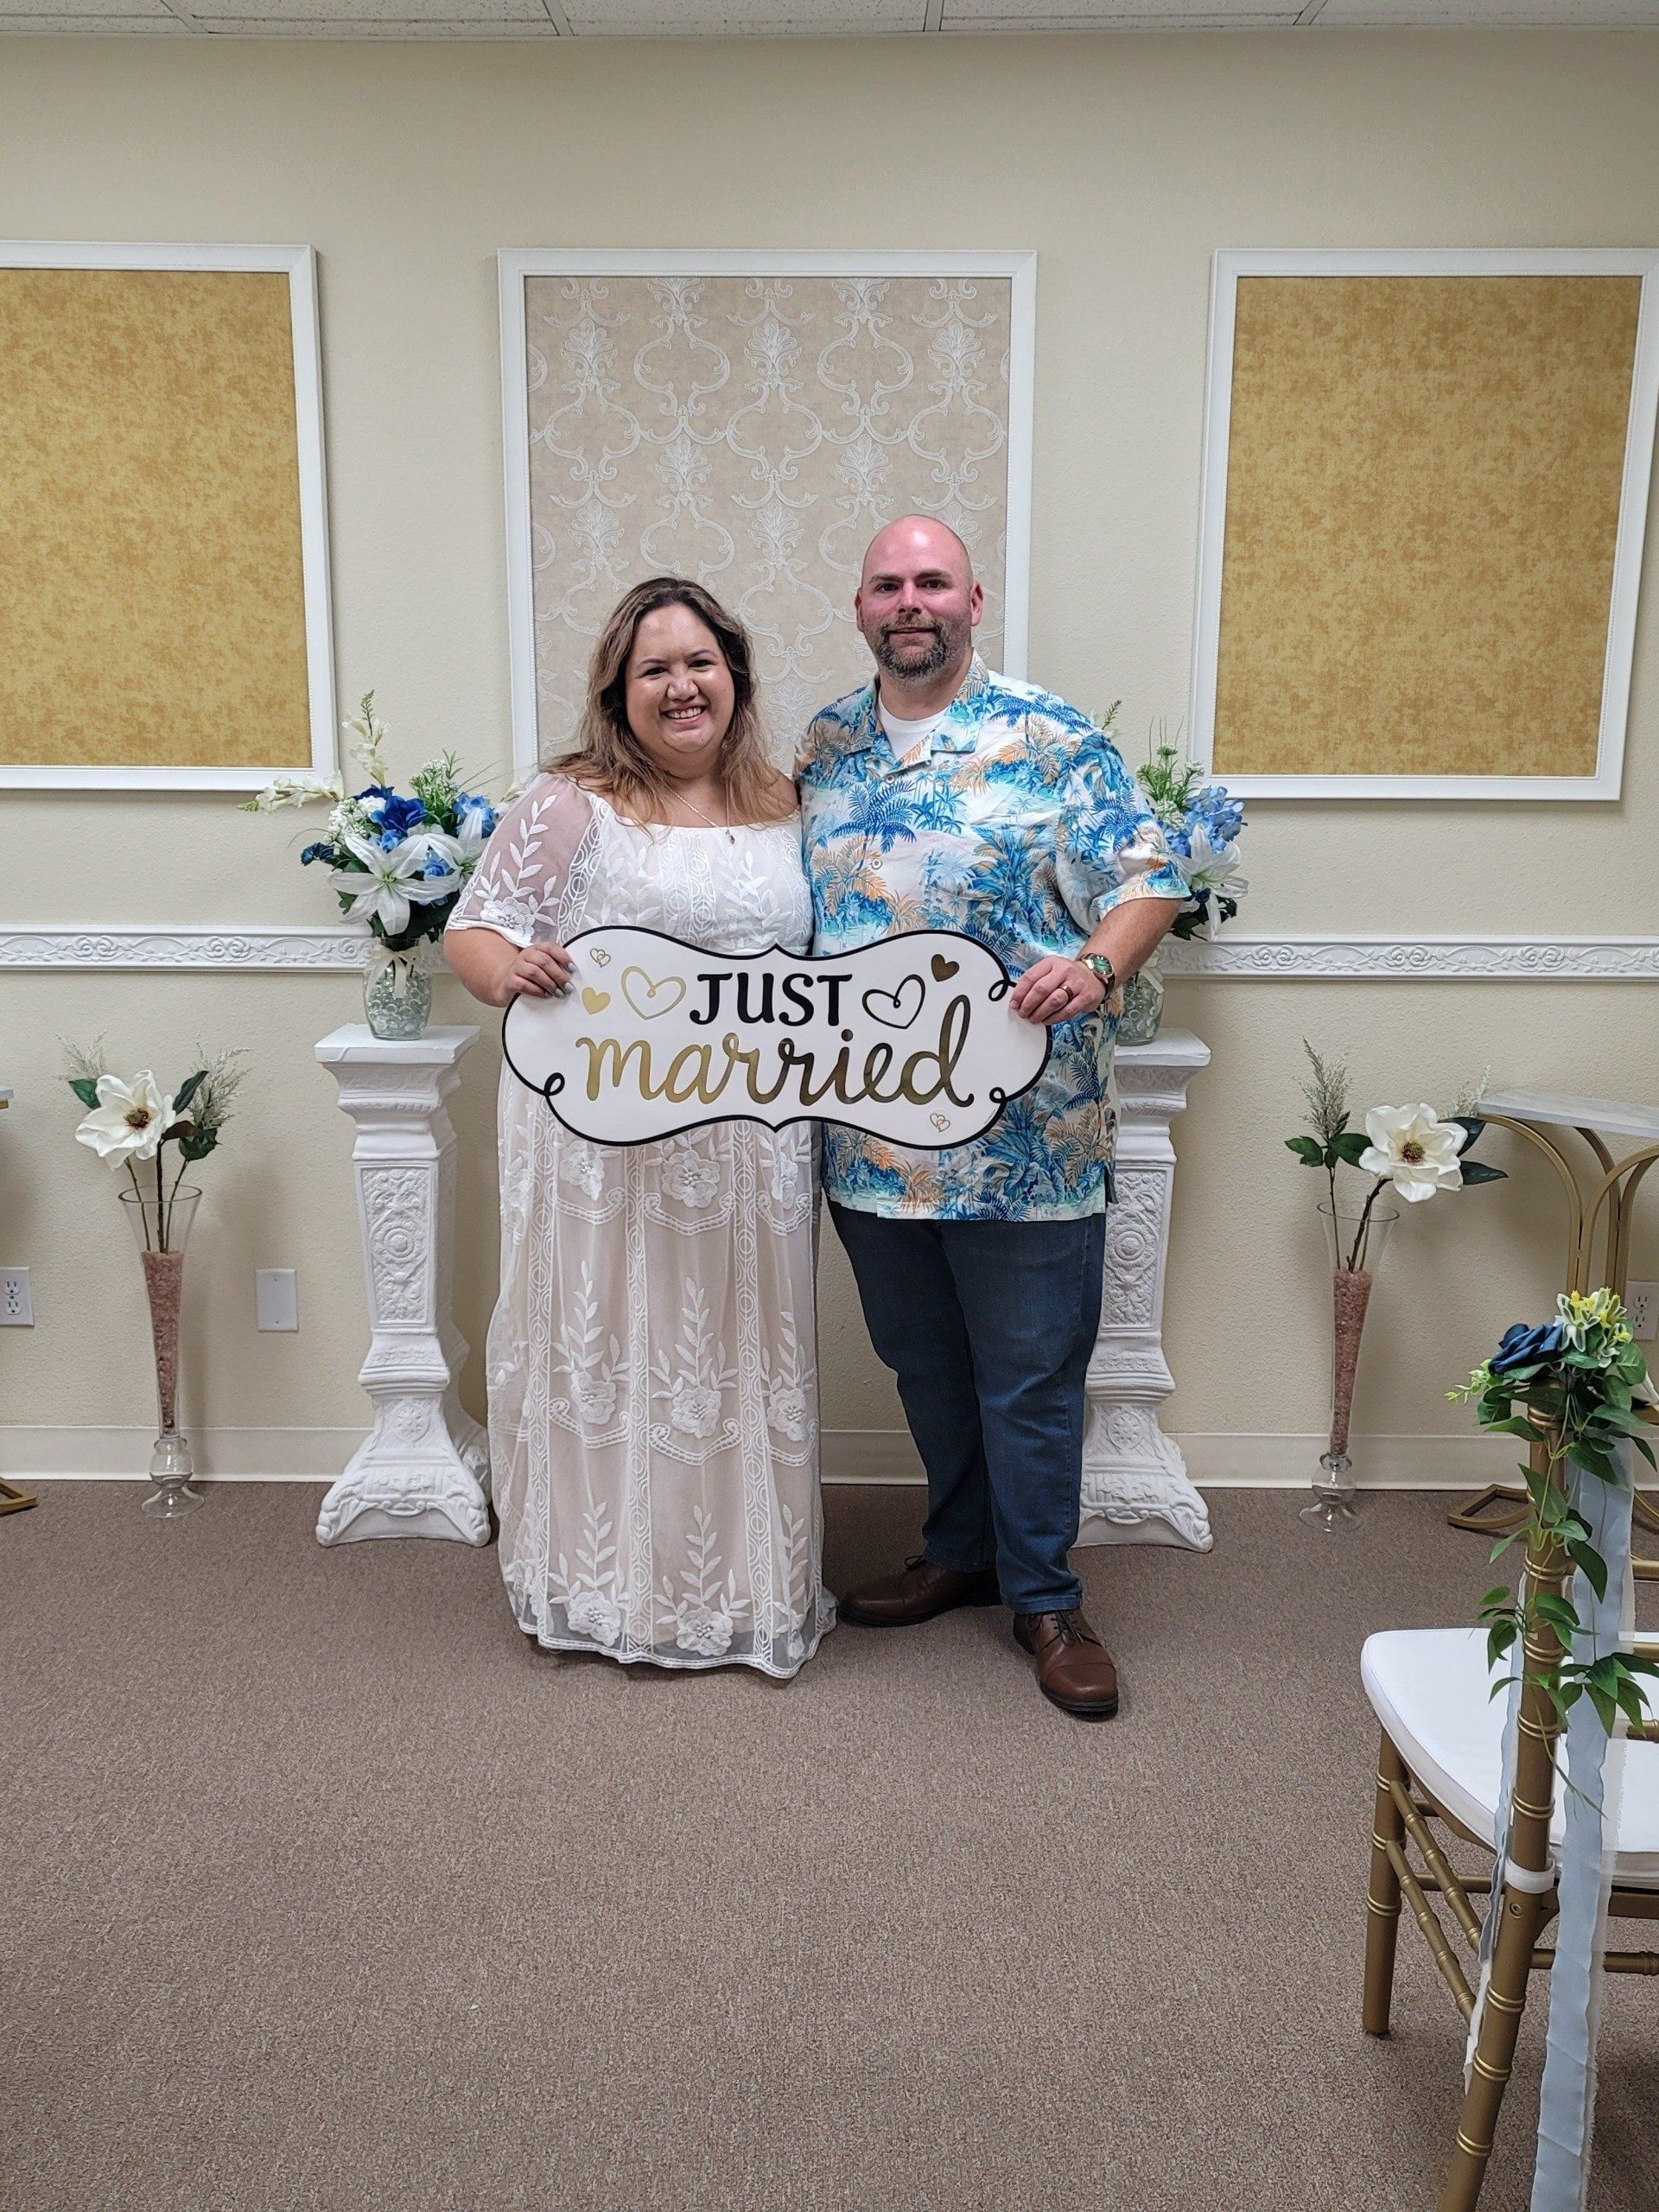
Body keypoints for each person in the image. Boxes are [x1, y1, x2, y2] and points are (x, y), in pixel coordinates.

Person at [797, 517, 1185, 1719]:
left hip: (1029, 1139)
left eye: (933, 582)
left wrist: (1098, 967)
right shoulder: (824, 746)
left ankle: (1048, 1599)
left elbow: (1150, 881)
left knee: (1028, 1378)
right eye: (888, 585)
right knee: (923, 1364)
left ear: (974, 601)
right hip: (872, 1139)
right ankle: (960, 1552)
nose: (910, 601)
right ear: (861, 609)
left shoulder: (1054, 739)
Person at [445, 576, 835, 1679]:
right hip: (604, 1146)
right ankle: (603, 1584)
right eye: (653, 668)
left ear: (734, 675)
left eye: (699, 662)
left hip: (750, 1145)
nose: (681, 686)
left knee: (733, 1351)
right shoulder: (572, 802)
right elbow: (473, 930)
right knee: (616, 1347)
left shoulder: (788, 801)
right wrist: (509, 971)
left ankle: (744, 1588)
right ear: (619, 691)